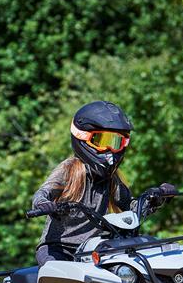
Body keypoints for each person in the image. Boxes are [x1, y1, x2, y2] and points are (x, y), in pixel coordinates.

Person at [28, 100, 134, 266]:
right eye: (102, 141)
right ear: (82, 137)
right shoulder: (70, 169)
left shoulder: (111, 178)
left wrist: (153, 199)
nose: (109, 150)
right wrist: (43, 203)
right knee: (59, 274)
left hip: (92, 249)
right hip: (58, 249)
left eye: (115, 143)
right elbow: (42, 193)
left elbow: (130, 206)